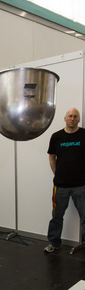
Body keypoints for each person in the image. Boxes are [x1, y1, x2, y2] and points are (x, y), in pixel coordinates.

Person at [44, 107, 85, 253]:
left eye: (75, 116)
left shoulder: (84, 134)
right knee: (56, 216)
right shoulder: (57, 137)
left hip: (81, 185)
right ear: (65, 118)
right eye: (70, 116)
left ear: (79, 119)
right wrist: (57, 174)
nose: (72, 118)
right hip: (60, 186)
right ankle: (54, 243)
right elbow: (51, 156)